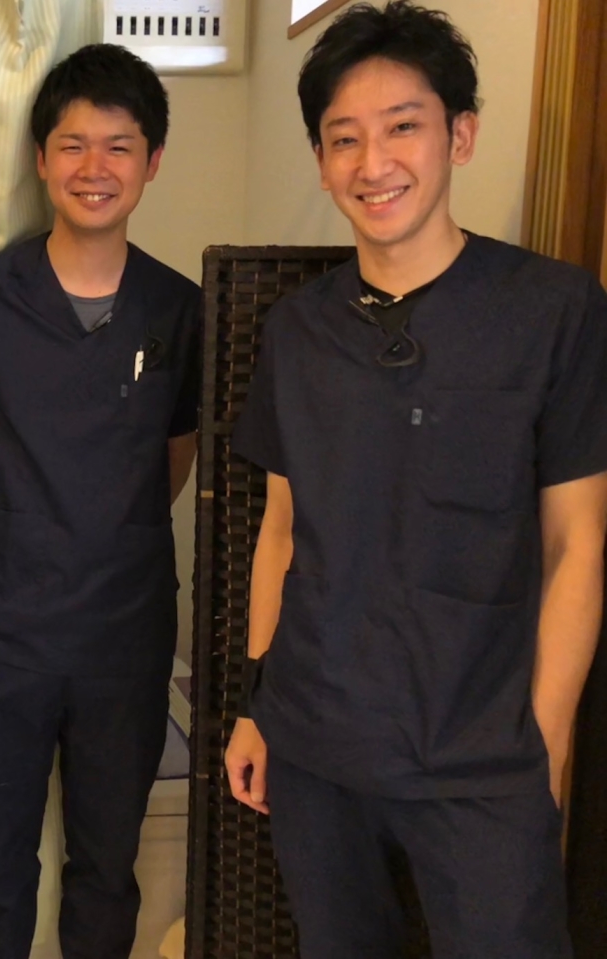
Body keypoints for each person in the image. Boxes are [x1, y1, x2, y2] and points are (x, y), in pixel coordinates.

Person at [224, 3, 607, 957]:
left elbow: (577, 542)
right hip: (316, 742)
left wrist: (546, 747)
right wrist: (259, 702)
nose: (374, 162)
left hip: (483, 758)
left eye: (403, 126)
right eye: (344, 139)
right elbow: (282, 529)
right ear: (322, 162)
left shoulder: (553, 310)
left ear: (459, 136)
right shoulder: (296, 330)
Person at [0, 44, 201, 959]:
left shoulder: (180, 309)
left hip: (126, 637)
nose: (94, 167)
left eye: (119, 146)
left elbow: (174, 458)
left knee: (107, 866)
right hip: (6, 633)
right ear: (40, 158)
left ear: (153, 161)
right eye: (73, 144)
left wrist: (95, 517)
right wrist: (41, 514)